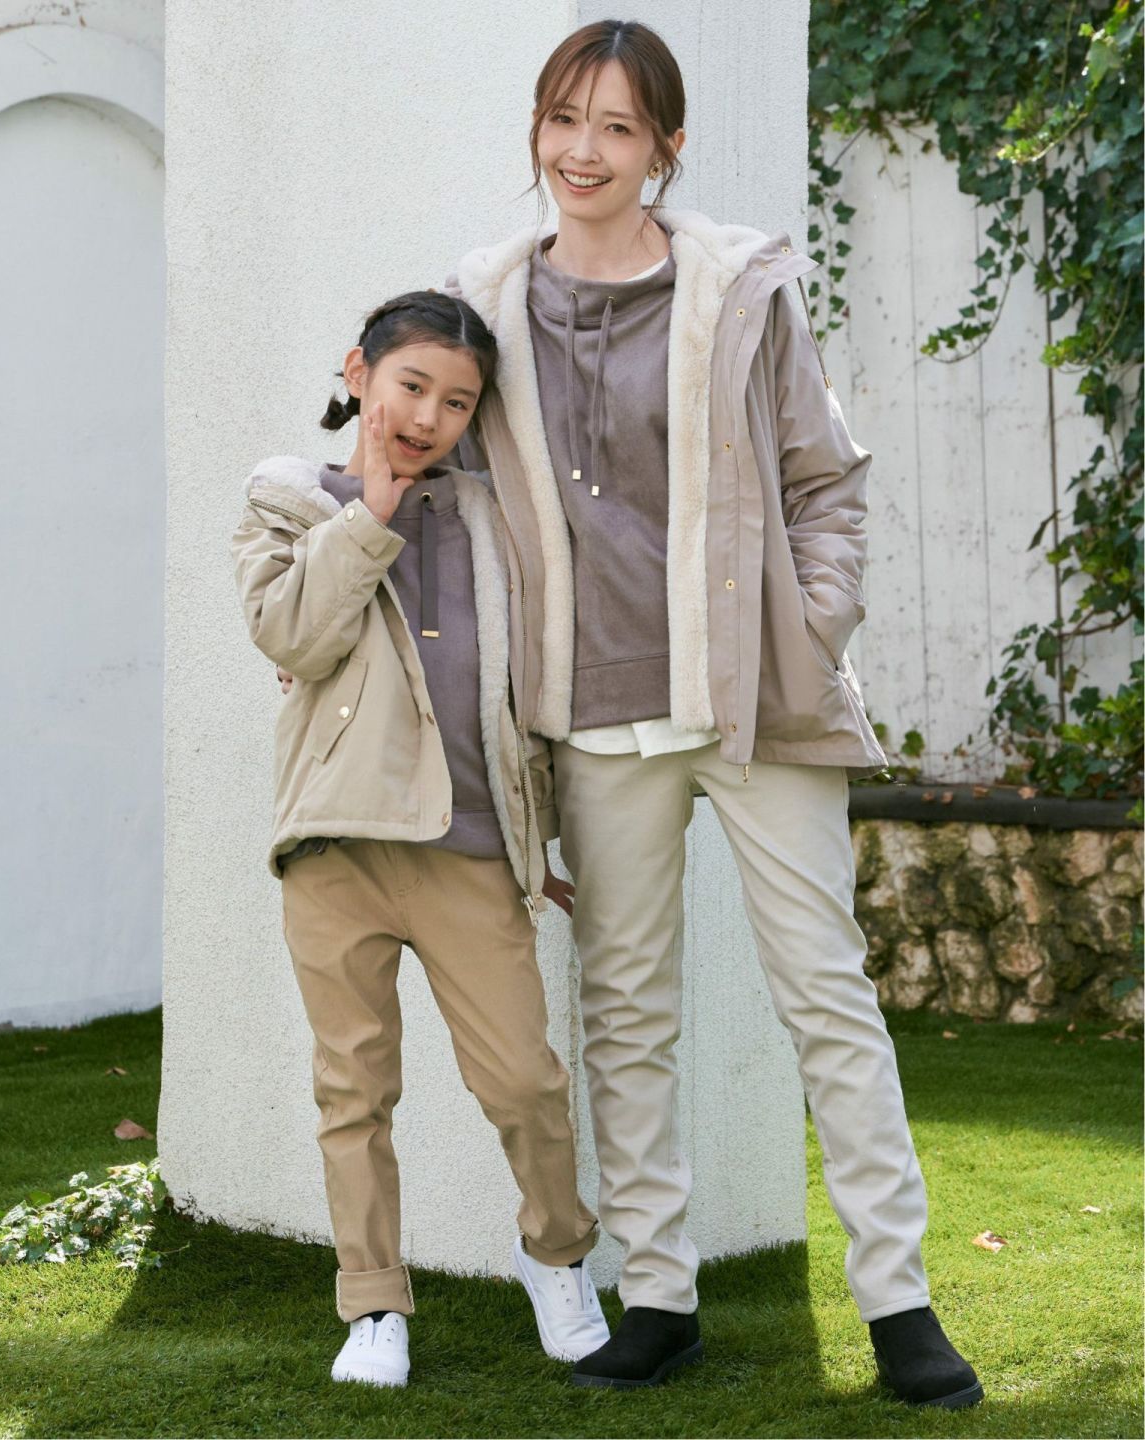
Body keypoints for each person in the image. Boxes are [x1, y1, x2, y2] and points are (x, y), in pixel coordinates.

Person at [442, 19, 983, 1407]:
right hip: (592, 712)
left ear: (666, 147)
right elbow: (429, 461)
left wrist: (808, 629)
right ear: (537, 129)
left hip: (756, 704)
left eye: (618, 127)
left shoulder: (740, 292)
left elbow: (826, 481)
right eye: (565, 119)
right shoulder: (484, 307)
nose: (584, 151)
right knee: (625, 1016)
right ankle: (662, 1299)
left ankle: (901, 1303)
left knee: (828, 997)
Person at [233, 292, 607, 1388]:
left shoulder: (498, 521)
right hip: (335, 846)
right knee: (353, 1092)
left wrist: (541, 834)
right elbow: (292, 635)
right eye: (411, 387)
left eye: (457, 402)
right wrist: (372, 513)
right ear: (358, 374)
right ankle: (372, 1306)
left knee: (526, 1083)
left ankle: (555, 1256)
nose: (429, 416)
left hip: (471, 846)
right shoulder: (288, 504)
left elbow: (533, 686)